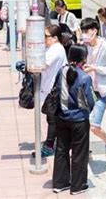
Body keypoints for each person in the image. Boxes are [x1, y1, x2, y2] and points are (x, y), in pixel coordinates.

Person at [52, 44, 95, 195]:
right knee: (79, 153)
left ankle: (60, 183)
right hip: (79, 120)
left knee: (61, 150)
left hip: (61, 117)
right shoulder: (85, 78)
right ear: (83, 58)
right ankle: (78, 185)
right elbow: (90, 101)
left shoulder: (61, 71)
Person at [80, 18, 106, 161]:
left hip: (101, 90)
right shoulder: (84, 46)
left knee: (94, 126)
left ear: (95, 31)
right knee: (82, 123)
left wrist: (95, 68)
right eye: (83, 31)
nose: (84, 34)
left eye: (86, 31)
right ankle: (86, 151)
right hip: (87, 89)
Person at [38, 25, 67, 157]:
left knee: (52, 119)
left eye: (46, 36)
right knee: (53, 118)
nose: (44, 38)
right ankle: (53, 142)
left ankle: (49, 145)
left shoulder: (56, 50)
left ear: (55, 38)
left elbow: (43, 64)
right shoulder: (52, 48)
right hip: (49, 88)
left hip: (53, 89)